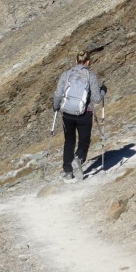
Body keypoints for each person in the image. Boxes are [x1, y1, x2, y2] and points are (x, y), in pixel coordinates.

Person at [52, 50, 105, 181]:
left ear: (76, 61)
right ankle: (79, 158)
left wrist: (56, 106)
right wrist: (103, 91)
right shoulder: (91, 76)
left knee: (69, 141)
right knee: (84, 140)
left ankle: (68, 171)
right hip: (84, 114)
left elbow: (58, 94)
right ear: (88, 62)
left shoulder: (66, 74)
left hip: (67, 114)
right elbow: (97, 99)